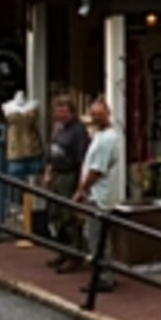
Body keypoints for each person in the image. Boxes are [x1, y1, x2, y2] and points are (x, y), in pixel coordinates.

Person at [75, 99, 127, 293]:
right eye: (93, 114)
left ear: (108, 113)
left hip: (100, 195)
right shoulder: (101, 135)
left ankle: (104, 277)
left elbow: (97, 170)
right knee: (96, 235)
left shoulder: (106, 139)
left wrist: (82, 190)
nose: (96, 118)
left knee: (97, 237)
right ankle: (103, 274)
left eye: (99, 114)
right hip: (98, 193)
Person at [42, 98, 89, 267]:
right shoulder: (57, 128)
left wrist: (80, 186)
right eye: (57, 111)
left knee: (68, 216)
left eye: (64, 111)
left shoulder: (78, 131)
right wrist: (48, 172)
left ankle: (75, 254)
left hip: (69, 175)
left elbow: (82, 159)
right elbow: (50, 151)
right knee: (54, 215)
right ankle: (61, 251)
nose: (60, 115)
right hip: (56, 173)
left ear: (71, 112)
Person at [0, 88, 44, 234]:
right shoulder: (7, 107)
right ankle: (20, 214)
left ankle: (33, 217)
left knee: (33, 185)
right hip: (17, 151)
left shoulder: (33, 105)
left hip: (29, 150)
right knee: (17, 185)